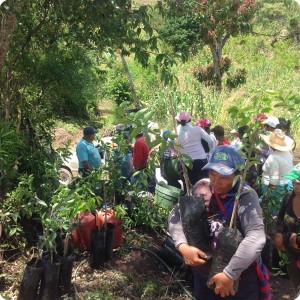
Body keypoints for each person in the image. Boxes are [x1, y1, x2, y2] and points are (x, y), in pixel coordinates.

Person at [168, 145, 266, 300]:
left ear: (238, 174)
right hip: (204, 272)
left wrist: (229, 273)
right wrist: (182, 245)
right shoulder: (202, 187)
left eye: (223, 178)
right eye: (212, 175)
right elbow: (175, 214)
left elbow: (256, 236)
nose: (216, 182)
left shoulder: (246, 197)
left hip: (239, 276)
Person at [274, 163, 300, 300]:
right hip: (290, 253)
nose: (296, 187)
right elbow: (280, 218)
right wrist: (279, 232)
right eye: (295, 182)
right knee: (296, 285)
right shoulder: (289, 197)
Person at [175, 111, 214, 189]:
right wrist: (211, 152)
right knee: (204, 187)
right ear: (190, 120)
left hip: (185, 163)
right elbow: (211, 141)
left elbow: (175, 147)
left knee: (188, 187)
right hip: (200, 161)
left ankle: (189, 200)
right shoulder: (197, 129)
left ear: (178, 121)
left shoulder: (175, 133)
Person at [260, 129, 295, 211]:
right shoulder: (288, 152)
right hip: (285, 185)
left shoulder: (273, 158)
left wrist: (266, 196)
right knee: (281, 208)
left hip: (276, 189)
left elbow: (274, 180)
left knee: (273, 210)